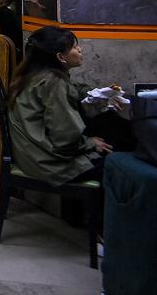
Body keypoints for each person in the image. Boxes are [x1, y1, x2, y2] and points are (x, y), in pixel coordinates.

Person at [8, 27, 134, 188]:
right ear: (60, 57)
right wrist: (90, 143)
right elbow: (66, 138)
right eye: (74, 47)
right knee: (122, 163)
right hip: (49, 164)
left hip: (30, 155)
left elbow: (74, 88)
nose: (79, 50)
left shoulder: (32, 74)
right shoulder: (53, 83)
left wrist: (99, 96)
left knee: (111, 124)